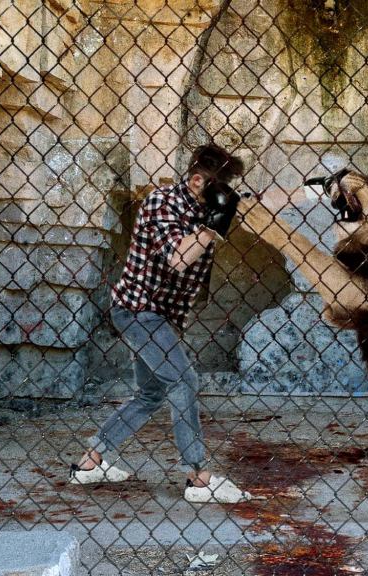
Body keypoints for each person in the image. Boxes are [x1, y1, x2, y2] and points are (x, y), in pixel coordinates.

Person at [69, 144, 253, 504]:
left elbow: (260, 200)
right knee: (183, 380)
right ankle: (198, 478)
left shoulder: (206, 203)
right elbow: (178, 259)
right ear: (197, 180)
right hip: (138, 310)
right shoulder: (161, 203)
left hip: (158, 316)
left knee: (151, 393)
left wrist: (311, 191)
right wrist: (212, 227)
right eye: (221, 188)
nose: (226, 196)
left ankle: (89, 463)